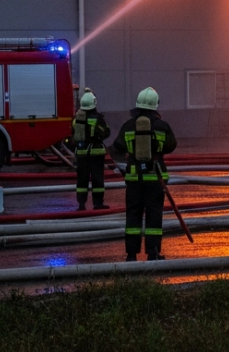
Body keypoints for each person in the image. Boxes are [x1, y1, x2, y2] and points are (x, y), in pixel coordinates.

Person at [112, 86, 177, 261]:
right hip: (155, 178)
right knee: (154, 214)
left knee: (133, 214)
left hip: (134, 179)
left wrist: (127, 161)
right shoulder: (162, 126)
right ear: (156, 105)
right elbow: (172, 145)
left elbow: (117, 147)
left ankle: (131, 254)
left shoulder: (128, 125)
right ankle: (153, 252)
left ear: (138, 104)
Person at [72, 89, 111, 211]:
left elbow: (73, 134)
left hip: (81, 154)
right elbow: (106, 132)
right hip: (96, 153)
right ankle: (98, 203)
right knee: (97, 178)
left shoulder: (76, 119)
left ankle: (81, 205)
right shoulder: (98, 118)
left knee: (82, 179)